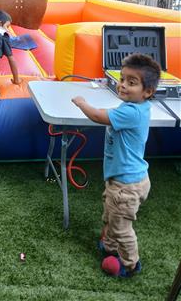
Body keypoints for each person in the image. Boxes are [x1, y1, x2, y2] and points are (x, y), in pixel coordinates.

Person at [72, 53, 161, 278]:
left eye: (132, 82)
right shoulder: (136, 106)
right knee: (111, 215)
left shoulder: (130, 111)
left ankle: (130, 264)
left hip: (126, 185)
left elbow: (97, 116)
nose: (123, 85)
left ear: (148, 92)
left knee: (122, 227)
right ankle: (110, 247)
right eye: (122, 79)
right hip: (124, 180)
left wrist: (82, 102)